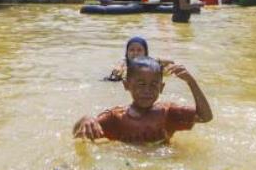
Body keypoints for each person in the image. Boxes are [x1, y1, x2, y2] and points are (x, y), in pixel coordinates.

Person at [74, 57, 213, 144]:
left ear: (161, 87)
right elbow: (80, 135)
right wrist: (84, 120)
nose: (147, 90)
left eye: (154, 85)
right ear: (127, 85)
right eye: (141, 84)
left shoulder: (168, 113)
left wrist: (191, 82)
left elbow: (205, 117)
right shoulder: (116, 117)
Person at [104, 36, 172, 82]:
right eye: (131, 50)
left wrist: (156, 61)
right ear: (127, 52)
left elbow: (171, 62)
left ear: (145, 52)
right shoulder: (122, 66)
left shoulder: (150, 63)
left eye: (139, 50)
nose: (135, 53)